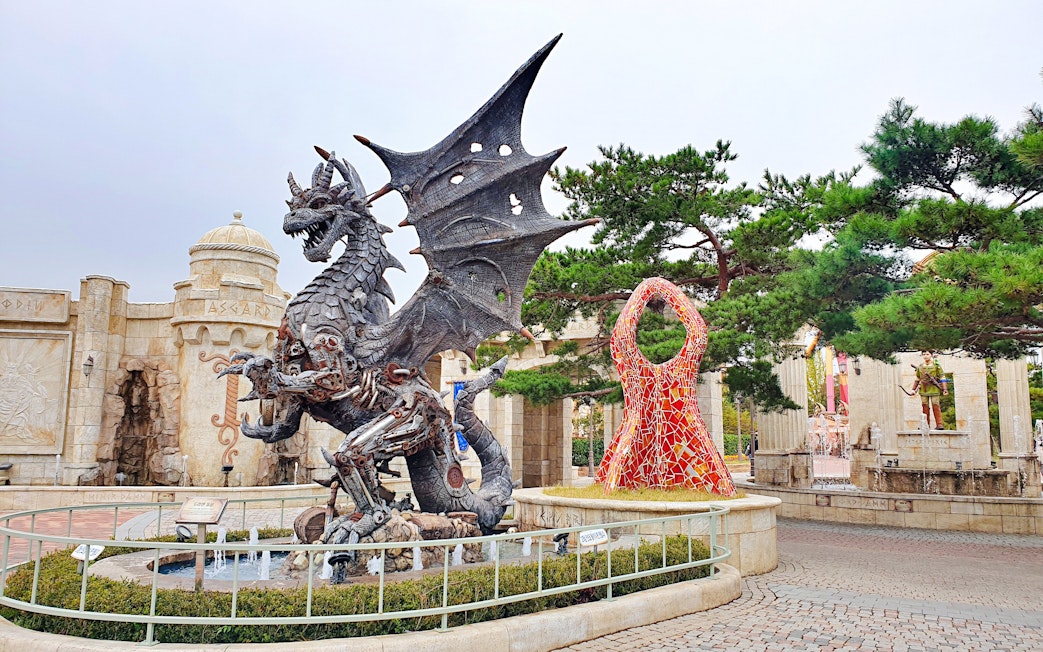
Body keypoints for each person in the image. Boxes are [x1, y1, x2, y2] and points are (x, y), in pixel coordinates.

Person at [910, 351, 948, 429]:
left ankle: (939, 424)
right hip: (924, 389)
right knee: (924, 406)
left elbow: (942, 377)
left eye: (927, 354)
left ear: (931, 355)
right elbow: (917, 378)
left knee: (935, 405)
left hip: (934, 388)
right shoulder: (920, 367)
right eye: (924, 354)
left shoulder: (936, 366)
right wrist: (913, 389)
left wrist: (945, 388)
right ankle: (925, 425)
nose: (925, 356)